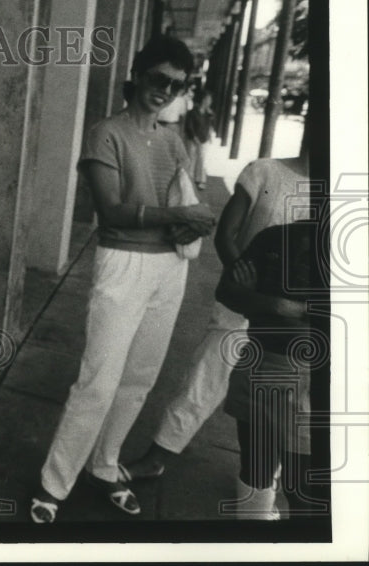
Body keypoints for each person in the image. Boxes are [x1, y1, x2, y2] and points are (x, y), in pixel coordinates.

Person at [29, 35, 217, 523]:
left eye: (177, 84)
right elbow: (112, 211)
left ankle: (105, 466)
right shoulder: (105, 134)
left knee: (140, 378)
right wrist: (184, 215)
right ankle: (55, 483)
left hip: (169, 267)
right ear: (135, 75)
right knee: (99, 379)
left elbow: (183, 204)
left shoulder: (174, 139)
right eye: (158, 78)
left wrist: (192, 215)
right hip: (123, 263)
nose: (165, 90)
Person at [117, 151, 311, 484]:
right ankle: (157, 457)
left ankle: (266, 484)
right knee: (204, 380)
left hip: (297, 325)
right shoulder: (265, 171)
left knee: (292, 407)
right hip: (243, 303)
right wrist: (245, 283)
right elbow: (226, 234)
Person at [217, 218, 328, 520]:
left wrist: (268, 303)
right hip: (261, 363)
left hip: (308, 377)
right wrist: (277, 306)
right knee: (256, 471)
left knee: (300, 487)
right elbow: (226, 291)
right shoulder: (275, 238)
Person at [184, 88, 214, 190]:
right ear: (203, 99)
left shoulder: (208, 114)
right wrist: (195, 138)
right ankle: (189, 179)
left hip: (203, 139)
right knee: (191, 159)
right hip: (193, 139)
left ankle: (200, 180)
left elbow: (210, 126)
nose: (210, 101)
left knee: (202, 160)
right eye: (208, 99)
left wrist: (209, 136)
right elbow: (189, 126)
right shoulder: (193, 112)